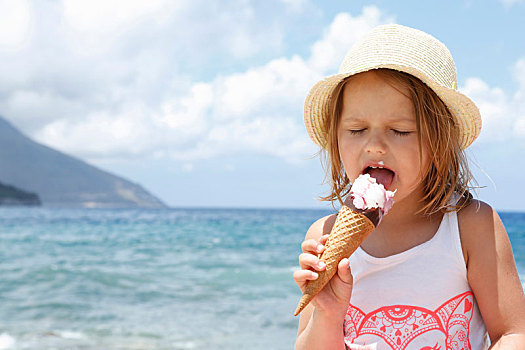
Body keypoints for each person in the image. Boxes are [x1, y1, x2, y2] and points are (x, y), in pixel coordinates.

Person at [293, 24, 525, 350]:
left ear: (439, 144)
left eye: (400, 131)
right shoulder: (324, 238)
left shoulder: (471, 227)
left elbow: (513, 334)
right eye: (356, 129)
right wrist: (327, 315)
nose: (374, 145)